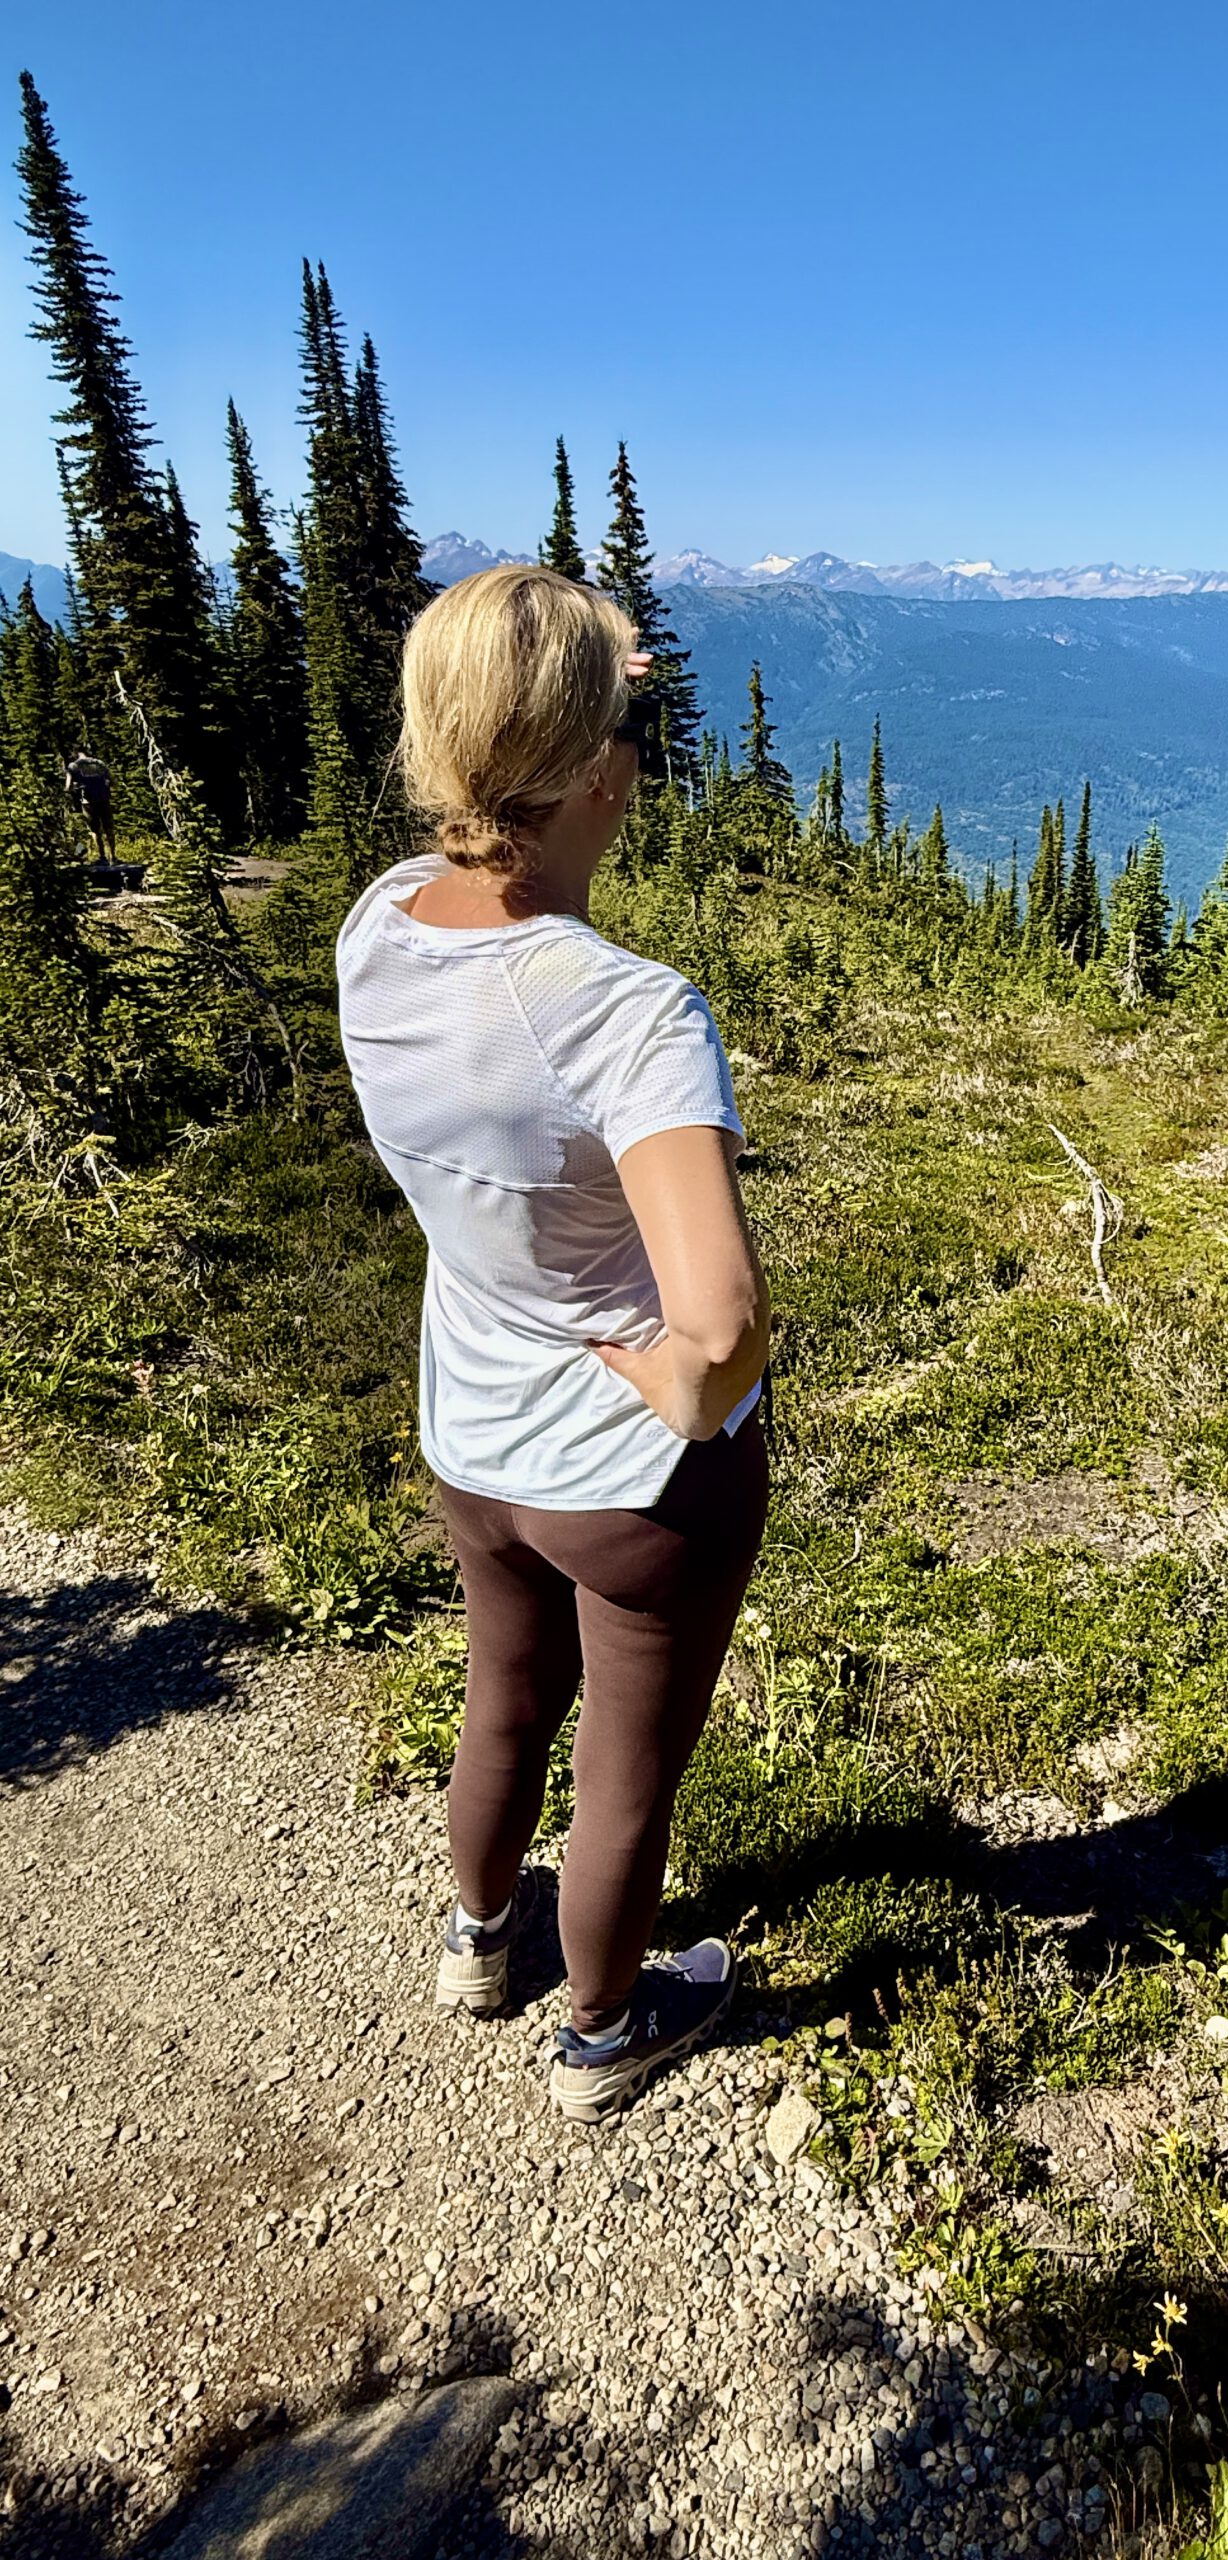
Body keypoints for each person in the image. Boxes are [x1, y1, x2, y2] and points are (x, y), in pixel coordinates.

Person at [334, 565, 770, 2124]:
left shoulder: (380, 926)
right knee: (627, 1767)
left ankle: (479, 1940)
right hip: (630, 1479)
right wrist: (674, 1384)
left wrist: (567, 679)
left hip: (474, 1432)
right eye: (626, 724)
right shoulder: (628, 1015)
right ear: (603, 774)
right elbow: (718, 1332)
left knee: (505, 1694)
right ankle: (604, 2028)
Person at [65, 748, 114, 860]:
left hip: (88, 802)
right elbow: (112, 781)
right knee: (109, 829)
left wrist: (75, 788)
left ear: (76, 754)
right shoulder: (100, 764)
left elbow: (68, 787)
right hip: (103, 799)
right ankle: (113, 856)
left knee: (95, 830)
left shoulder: (73, 766)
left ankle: (102, 857)